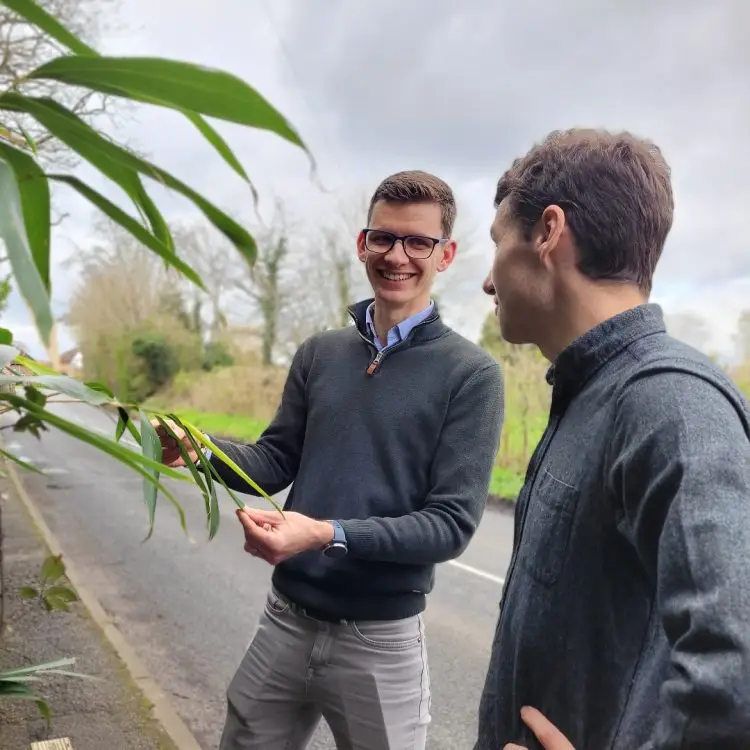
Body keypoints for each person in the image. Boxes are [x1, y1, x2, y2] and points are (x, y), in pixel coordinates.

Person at [156, 170, 504, 750]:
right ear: (361, 243)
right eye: (384, 238)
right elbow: (273, 460)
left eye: (417, 242)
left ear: (446, 255)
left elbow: (448, 526)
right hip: (285, 622)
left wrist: (323, 534)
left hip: (381, 642)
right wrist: (201, 450)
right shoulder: (320, 353)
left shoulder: (471, 375)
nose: (397, 256)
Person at [474, 128, 750, 750]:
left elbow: (736, 679)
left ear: (548, 233)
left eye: (496, 244)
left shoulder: (670, 402)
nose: (488, 283)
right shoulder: (589, 393)